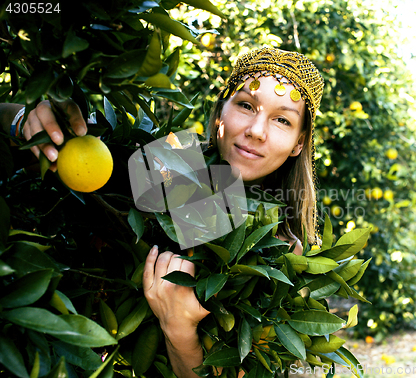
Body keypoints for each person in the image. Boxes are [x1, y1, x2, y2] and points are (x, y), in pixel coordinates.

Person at [0, 47, 324, 377]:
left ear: (299, 143)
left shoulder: (283, 255)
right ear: (219, 114)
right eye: (245, 105)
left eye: (282, 119)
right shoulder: (171, 166)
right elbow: (66, 149)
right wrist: (27, 120)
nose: (257, 130)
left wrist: (180, 332)